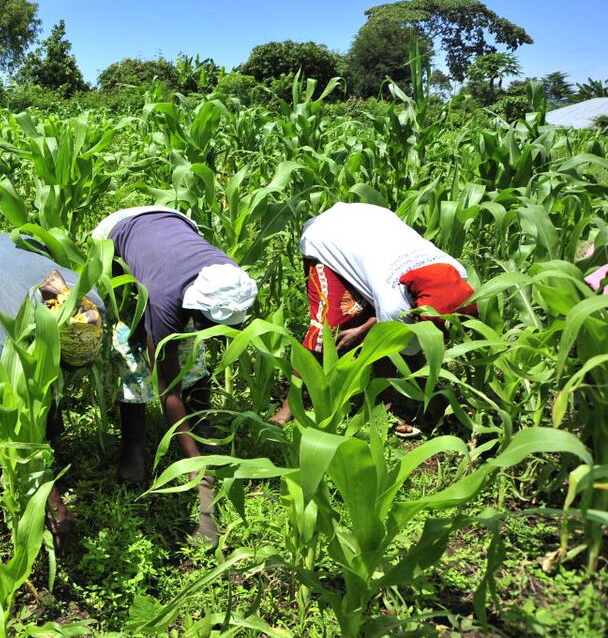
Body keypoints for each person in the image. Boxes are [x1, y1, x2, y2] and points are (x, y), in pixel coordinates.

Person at [92, 206, 258, 544]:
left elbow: (212, 325)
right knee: (133, 355)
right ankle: (133, 448)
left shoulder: (230, 279)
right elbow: (168, 391)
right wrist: (198, 472)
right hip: (116, 237)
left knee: (191, 353)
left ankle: (204, 429)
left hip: (172, 221)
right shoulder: (165, 300)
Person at [0, 233, 105, 537]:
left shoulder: (89, 305)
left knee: (42, 387)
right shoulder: (9, 340)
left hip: (9, 253)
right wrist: (49, 498)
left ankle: (43, 457)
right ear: (44, 343)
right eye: (65, 364)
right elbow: (15, 411)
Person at [272, 202, 478, 433]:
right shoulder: (393, 301)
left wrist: (364, 329)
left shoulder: (456, 271)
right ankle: (290, 405)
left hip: (372, 224)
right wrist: (440, 402)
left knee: (376, 332)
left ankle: (381, 406)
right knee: (328, 331)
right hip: (329, 237)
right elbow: (407, 355)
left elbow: (390, 329)